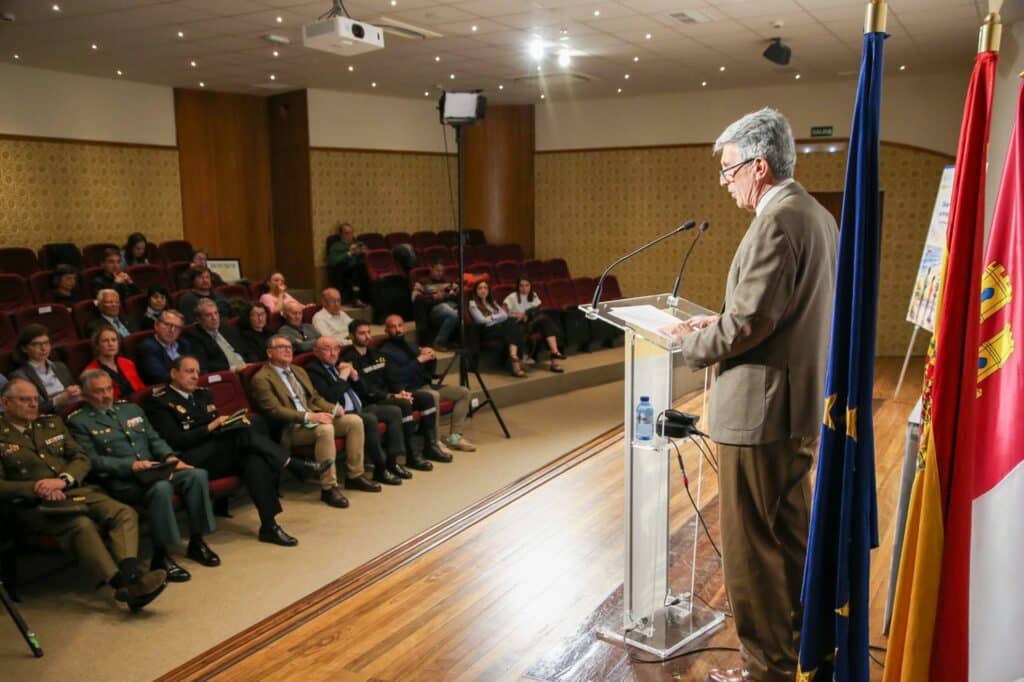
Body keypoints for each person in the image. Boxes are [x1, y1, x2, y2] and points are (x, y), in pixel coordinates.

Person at [661, 109, 838, 682]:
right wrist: (718, 321)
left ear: (759, 167)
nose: (724, 181)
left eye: (729, 169)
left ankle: (767, 669)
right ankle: (808, 653)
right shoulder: (816, 215)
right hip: (796, 404)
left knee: (751, 550)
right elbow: (776, 313)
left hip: (760, 414)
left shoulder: (776, 222)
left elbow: (752, 324)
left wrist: (690, 344)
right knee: (791, 538)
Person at [0, 378, 168, 611]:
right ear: (5, 403)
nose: (32, 404)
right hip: (34, 504)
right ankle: (124, 585)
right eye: (24, 400)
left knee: (123, 512)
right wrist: (37, 487)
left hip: (74, 489)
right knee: (80, 524)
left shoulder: (51, 423)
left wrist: (63, 480)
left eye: (35, 399)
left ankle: (130, 577)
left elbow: (80, 457)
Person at [144, 356, 330, 547]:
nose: (195, 376)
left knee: (253, 458)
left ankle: (269, 525)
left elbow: (217, 431)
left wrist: (228, 424)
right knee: (244, 437)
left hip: (217, 452)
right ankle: (293, 464)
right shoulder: (160, 401)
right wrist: (211, 426)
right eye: (189, 371)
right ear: (174, 373)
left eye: (198, 372)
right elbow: (174, 441)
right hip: (189, 459)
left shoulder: (203, 394)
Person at [69, 370, 219, 583]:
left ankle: (197, 541)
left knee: (196, 475)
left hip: (153, 470)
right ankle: (161, 555)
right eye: (99, 391)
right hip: (123, 481)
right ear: (85, 394)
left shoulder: (130, 409)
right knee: (161, 488)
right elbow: (91, 461)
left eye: (109, 389)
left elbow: (154, 439)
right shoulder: (79, 421)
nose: (106, 395)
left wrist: (169, 457)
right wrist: (130, 465)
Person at [249, 335, 379, 509]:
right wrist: (309, 417)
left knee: (354, 421)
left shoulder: (298, 371)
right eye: (282, 347)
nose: (288, 350)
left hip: (313, 418)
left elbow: (315, 398)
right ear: (269, 353)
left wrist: (332, 408)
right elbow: (274, 410)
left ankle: (355, 475)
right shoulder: (262, 378)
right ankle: (329, 487)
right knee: (325, 430)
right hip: (291, 427)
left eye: (289, 347)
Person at [342, 319, 445, 468]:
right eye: (362, 333)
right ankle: (411, 454)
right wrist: (391, 396)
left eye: (369, 332)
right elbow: (364, 390)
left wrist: (400, 391)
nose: (367, 336)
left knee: (426, 397)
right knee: (404, 404)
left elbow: (391, 377)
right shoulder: (348, 360)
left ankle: (431, 446)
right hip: (372, 400)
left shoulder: (376, 354)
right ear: (351, 336)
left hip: (390, 394)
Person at [306, 336, 403, 485]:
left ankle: (392, 461)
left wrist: (355, 377)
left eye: (336, 348)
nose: (333, 353)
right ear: (316, 352)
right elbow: (329, 397)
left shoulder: (339, 364)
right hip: (342, 414)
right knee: (369, 419)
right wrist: (343, 377)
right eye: (327, 349)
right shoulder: (313, 370)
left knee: (394, 411)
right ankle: (380, 468)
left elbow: (365, 391)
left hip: (361, 407)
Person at [380, 315, 475, 453]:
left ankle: (455, 438)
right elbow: (396, 377)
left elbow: (429, 373)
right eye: (393, 327)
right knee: (433, 395)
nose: (398, 329)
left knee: (463, 392)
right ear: (386, 330)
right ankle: (434, 441)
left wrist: (431, 357)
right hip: (407, 391)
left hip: (425, 385)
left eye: (400, 325)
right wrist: (418, 360)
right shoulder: (385, 352)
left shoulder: (411, 345)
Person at [10, 324, 81, 414]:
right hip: (51, 416)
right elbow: (34, 408)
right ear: (24, 349)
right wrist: (59, 399)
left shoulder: (60, 366)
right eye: (36, 344)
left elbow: (73, 389)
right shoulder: (19, 376)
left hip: (75, 408)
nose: (43, 348)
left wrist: (76, 391)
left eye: (46, 343)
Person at [503, 278, 567, 373]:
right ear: (518, 287)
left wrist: (529, 315)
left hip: (531, 322)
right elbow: (503, 313)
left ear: (530, 286)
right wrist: (516, 315)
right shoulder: (512, 297)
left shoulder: (533, 295)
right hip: (517, 323)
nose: (524, 288)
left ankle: (555, 353)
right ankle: (554, 357)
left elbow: (536, 310)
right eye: (521, 286)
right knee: (546, 322)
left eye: (527, 285)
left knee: (547, 322)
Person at [468, 280, 528, 378]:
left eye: (485, 288)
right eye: (480, 288)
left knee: (513, 323)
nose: (483, 290)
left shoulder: (492, 302)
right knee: (514, 326)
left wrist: (491, 317)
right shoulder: (473, 304)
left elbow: (504, 315)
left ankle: (514, 357)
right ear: (476, 291)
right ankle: (517, 359)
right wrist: (496, 317)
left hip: (499, 328)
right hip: (486, 331)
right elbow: (481, 321)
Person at [185, 299, 249, 374]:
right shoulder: (194, 336)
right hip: (228, 373)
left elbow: (246, 349)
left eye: (216, 313)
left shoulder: (227, 327)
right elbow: (206, 364)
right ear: (199, 319)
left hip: (247, 368)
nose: (214, 318)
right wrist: (234, 369)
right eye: (208, 315)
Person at [83, 327, 145, 400]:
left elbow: (141, 387)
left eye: (114, 340)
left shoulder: (127, 363)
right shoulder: (90, 372)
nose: (111, 344)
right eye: (105, 341)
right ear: (97, 346)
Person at [411, 261, 460, 349]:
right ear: (431, 269)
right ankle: (439, 342)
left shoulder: (448, 280)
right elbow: (415, 298)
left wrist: (454, 293)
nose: (440, 273)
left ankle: (457, 340)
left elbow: (459, 290)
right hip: (434, 308)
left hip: (450, 304)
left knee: (462, 312)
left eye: (442, 271)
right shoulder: (422, 282)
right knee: (454, 314)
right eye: (437, 271)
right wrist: (432, 297)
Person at [137, 310, 193, 385]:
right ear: (156, 325)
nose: (172, 330)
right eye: (167, 325)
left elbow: (194, 367)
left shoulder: (184, 344)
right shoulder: (148, 348)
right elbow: (160, 378)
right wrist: (188, 378)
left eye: (177, 327)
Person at [326, 222, 368, 306]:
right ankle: (356, 299)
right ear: (341, 235)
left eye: (351, 233)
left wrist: (364, 251)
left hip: (359, 267)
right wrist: (350, 253)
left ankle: (365, 298)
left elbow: (368, 254)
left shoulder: (357, 244)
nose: (350, 235)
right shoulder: (336, 246)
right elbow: (333, 261)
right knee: (356, 270)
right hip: (344, 269)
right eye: (347, 233)